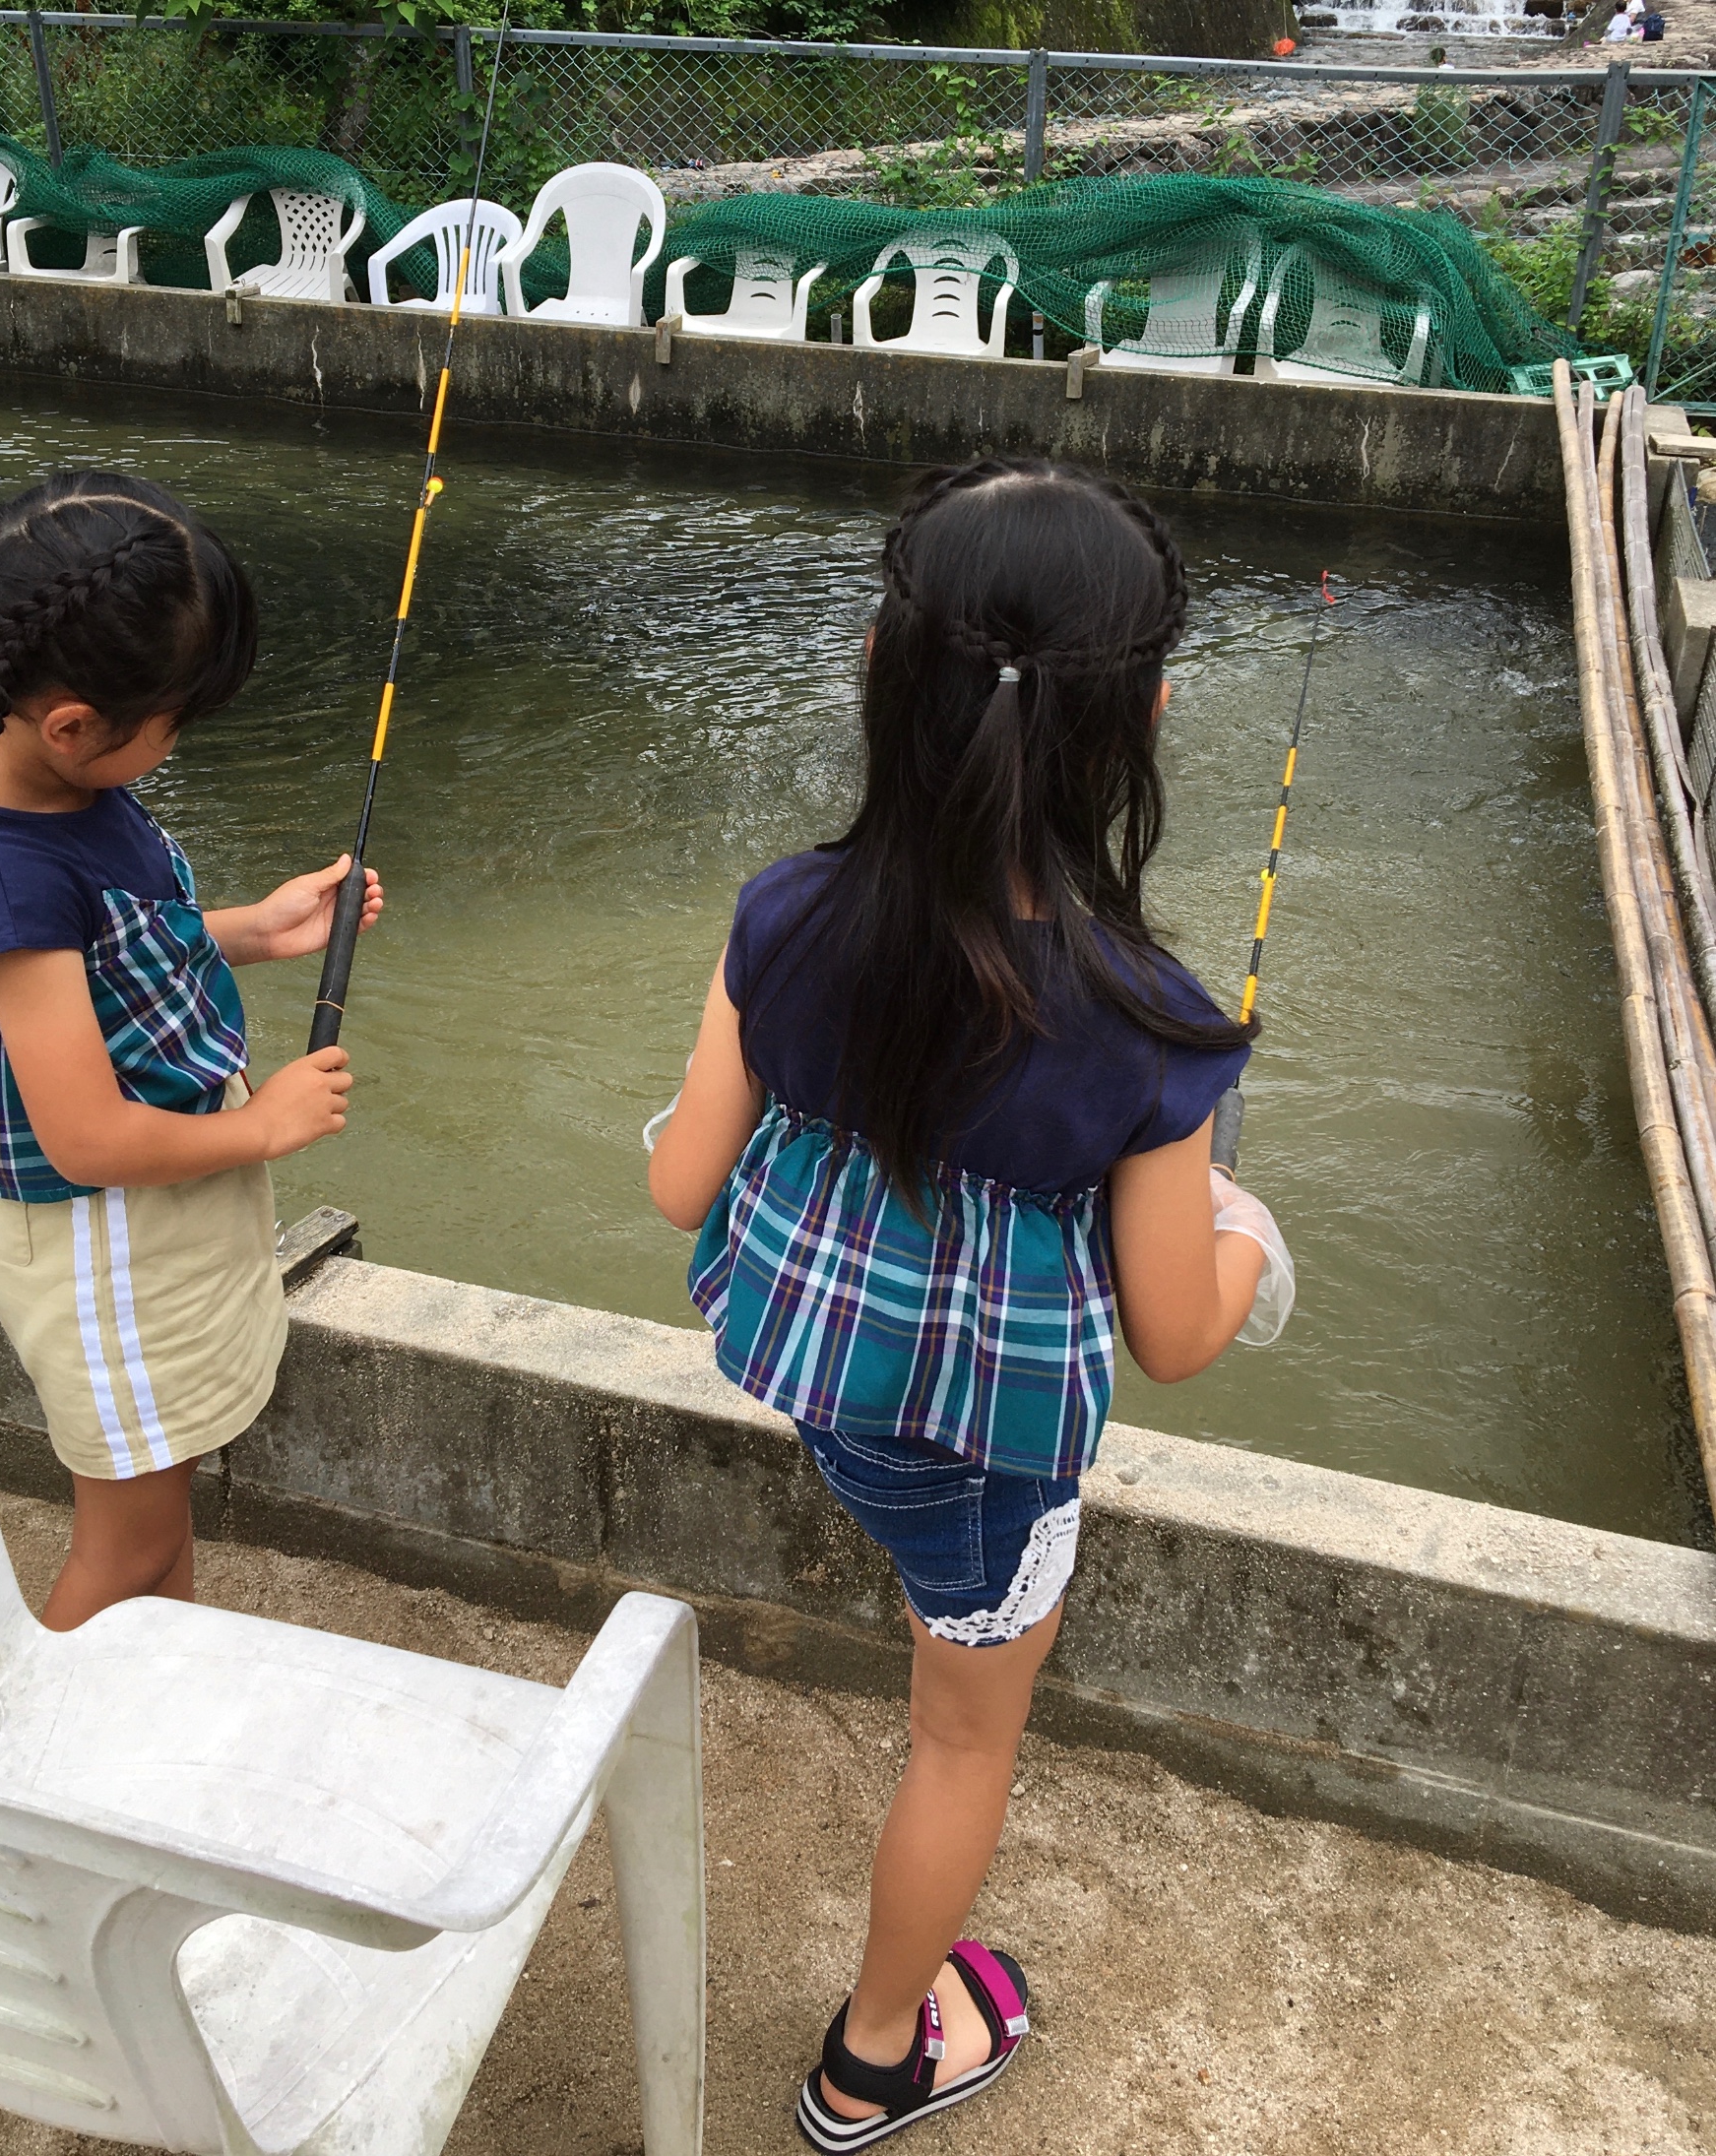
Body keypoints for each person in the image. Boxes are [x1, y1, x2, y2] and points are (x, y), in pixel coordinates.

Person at [648, 457, 1291, 2150]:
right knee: (957, 1733)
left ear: (882, 670)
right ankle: (875, 2057)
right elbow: (1172, 1333)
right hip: (978, 1461)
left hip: (818, 1384)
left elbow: (672, 1182)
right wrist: (1248, 1232)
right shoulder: (1155, 1026)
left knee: (935, 1638)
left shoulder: (780, 911)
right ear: (1140, 713)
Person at [0, 471, 381, 1631]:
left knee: (160, 1523)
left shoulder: (53, 783)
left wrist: (252, 931)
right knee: (130, 1539)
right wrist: (262, 1124)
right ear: (74, 725)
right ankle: (34, 1777)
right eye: (174, 718)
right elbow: (89, 1133)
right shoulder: (0, 868)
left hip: (148, 1212)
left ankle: (149, 1704)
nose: (178, 738)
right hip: (101, 1239)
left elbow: (109, 963)